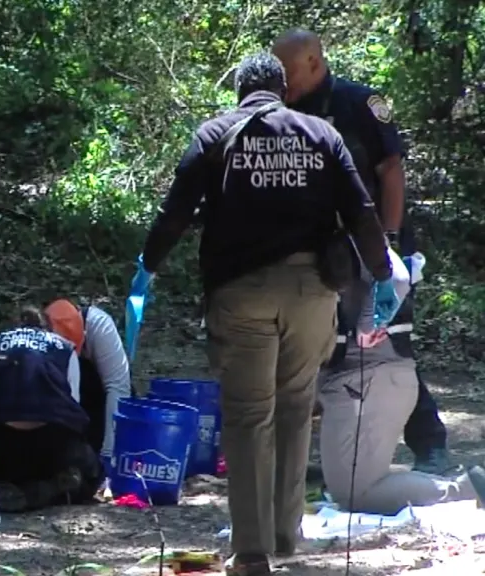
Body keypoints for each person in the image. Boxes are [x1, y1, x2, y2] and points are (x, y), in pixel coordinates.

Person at [136, 52, 397, 575]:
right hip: (311, 292)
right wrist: (383, 275)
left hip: (242, 293)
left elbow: (176, 212)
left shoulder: (215, 135)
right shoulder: (321, 134)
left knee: (249, 416)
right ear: (283, 88)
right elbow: (361, 212)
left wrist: (147, 266)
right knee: (297, 407)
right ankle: (285, 534)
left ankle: (252, 552)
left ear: (240, 92)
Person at [272, 29, 453, 475]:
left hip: (371, 244)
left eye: (289, 72)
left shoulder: (360, 105)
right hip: (316, 251)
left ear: (314, 62)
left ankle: (429, 441)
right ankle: (329, 452)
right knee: (320, 347)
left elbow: (391, 171)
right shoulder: (280, 111)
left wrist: (388, 248)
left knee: (384, 344)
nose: (283, 82)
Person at [320, 254, 485, 515]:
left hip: (368, 378)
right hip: (363, 379)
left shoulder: (349, 234)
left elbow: (398, 278)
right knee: (348, 484)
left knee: (355, 492)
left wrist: (369, 323)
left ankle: (467, 490)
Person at [0, 306, 103, 513]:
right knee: (93, 472)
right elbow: (74, 407)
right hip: (51, 445)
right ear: (48, 329)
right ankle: (47, 490)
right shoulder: (64, 348)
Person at [39, 298, 132, 466]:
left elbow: (118, 387)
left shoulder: (99, 325)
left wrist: (109, 454)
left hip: (100, 396)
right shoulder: (38, 336)